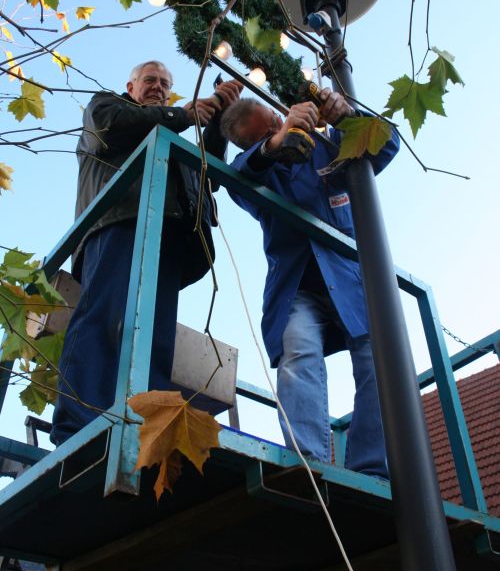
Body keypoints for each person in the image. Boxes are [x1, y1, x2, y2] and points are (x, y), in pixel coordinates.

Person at [51, 60, 242, 445]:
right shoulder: (106, 107)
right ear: (131, 85)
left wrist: (217, 120)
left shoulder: (170, 128)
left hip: (167, 236)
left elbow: (208, 171)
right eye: (150, 81)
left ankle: (144, 427)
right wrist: (184, 114)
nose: (158, 87)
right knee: (105, 318)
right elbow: (110, 126)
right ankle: (76, 427)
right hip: (118, 223)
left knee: (156, 336)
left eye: (165, 84)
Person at [220, 91, 399, 476]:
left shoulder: (326, 143)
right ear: (253, 143)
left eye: (274, 118)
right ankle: (310, 468)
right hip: (296, 288)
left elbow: (386, 145)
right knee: (299, 355)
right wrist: (277, 141)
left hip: (351, 280)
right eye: (265, 132)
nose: (277, 125)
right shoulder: (251, 171)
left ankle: (370, 468)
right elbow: (241, 179)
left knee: (379, 363)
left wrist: (348, 114)